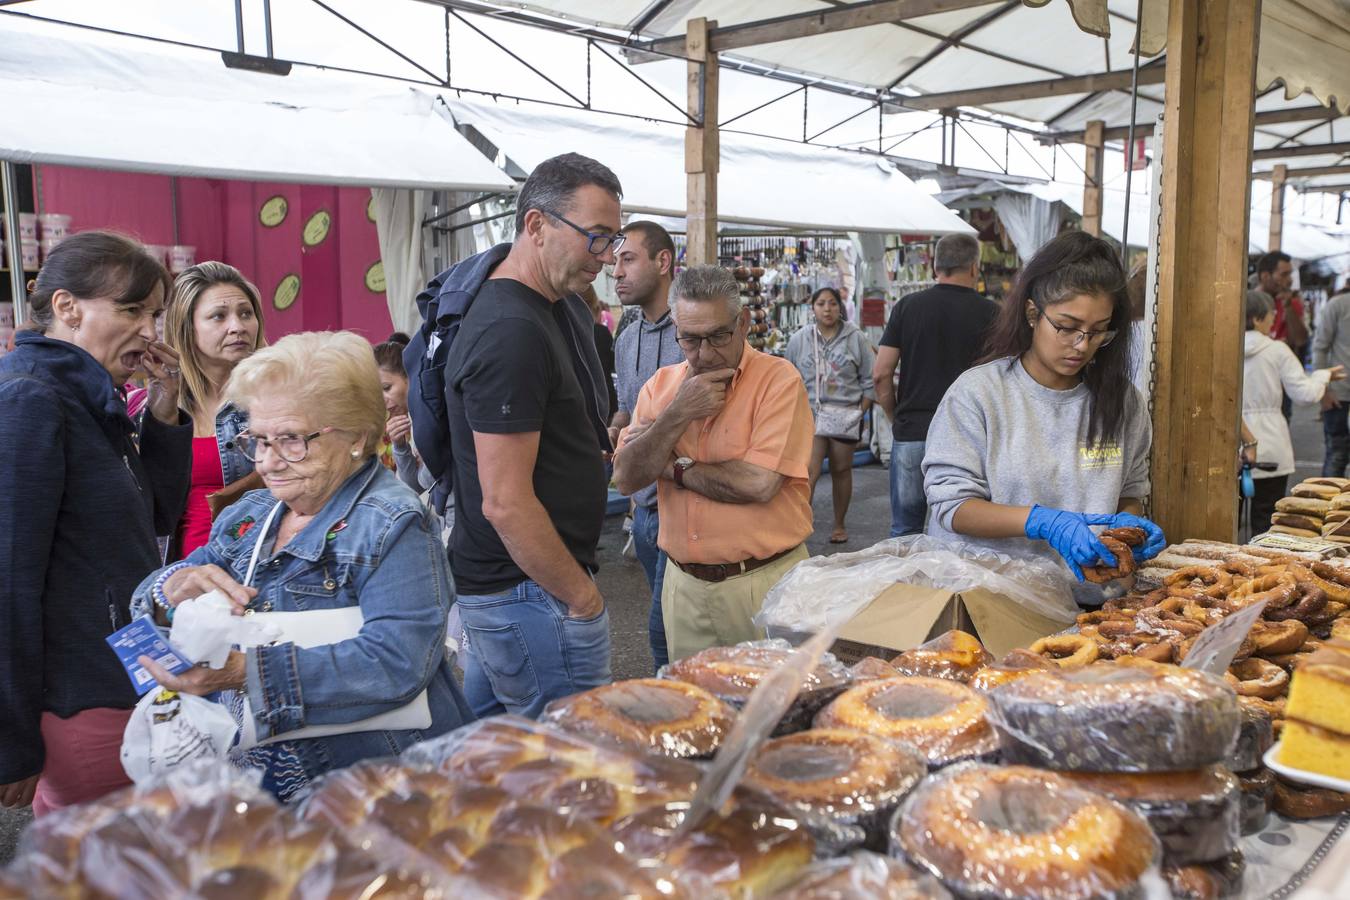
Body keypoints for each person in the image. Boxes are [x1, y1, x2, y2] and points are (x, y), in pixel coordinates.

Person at [132, 331, 475, 800]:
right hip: (267, 781)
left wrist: (243, 673)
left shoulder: (392, 523)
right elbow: (152, 604)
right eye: (257, 440)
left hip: (376, 788)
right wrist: (170, 588)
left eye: (292, 440)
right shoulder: (249, 517)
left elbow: (397, 663)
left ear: (357, 436)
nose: (268, 462)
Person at [0, 231, 191, 814]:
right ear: (66, 307)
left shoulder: (90, 395)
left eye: (155, 314)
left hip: (123, 674)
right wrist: (11, 740)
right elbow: (8, 579)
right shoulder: (31, 398)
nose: (151, 332)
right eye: (132, 310)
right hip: (79, 694)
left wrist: (163, 406)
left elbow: (153, 516)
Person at [443, 152, 619, 718]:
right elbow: (506, 501)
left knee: (491, 754)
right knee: (571, 770)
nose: (607, 257)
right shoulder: (511, 329)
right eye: (596, 237)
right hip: (527, 591)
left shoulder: (542, 306)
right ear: (536, 226)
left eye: (612, 240)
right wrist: (580, 597)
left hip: (519, 591)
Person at [922, 231, 1165, 598]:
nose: (1082, 345)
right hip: (989, 600)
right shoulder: (980, 394)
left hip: (1087, 599)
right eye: (1067, 327)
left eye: (1099, 332)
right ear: (1033, 313)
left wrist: (1127, 529)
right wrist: (1038, 521)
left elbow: (1128, 490)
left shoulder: (1123, 403)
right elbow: (953, 505)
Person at [612, 265, 814, 662]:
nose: (704, 353)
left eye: (717, 336)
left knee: (778, 712)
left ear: (742, 323)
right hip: (683, 584)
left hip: (765, 580)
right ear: (676, 328)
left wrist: (672, 467)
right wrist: (677, 414)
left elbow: (758, 485)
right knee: (699, 711)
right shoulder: (661, 387)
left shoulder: (779, 380)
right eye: (690, 338)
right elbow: (626, 477)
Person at [136, 262, 266, 558]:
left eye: (246, 313)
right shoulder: (157, 406)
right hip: (177, 580)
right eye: (218, 316)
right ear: (187, 326)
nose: (238, 326)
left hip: (254, 570)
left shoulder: (275, 398)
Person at [873, 232, 996, 537]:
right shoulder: (994, 314)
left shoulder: (907, 307)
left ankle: (905, 587)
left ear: (935, 267)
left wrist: (895, 417)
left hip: (913, 431)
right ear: (973, 268)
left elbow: (881, 373)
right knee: (962, 535)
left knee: (906, 533)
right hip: (970, 438)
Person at [609, 219, 679, 670]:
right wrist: (614, 426)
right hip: (642, 514)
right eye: (615, 260)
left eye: (627, 259)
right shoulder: (627, 335)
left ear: (663, 261)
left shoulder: (693, 334)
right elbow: (625, 405)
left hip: (685, 506)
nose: (615, 271)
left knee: (664, 637)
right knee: (669, 628)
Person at [1243, 290, 1344, 531]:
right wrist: (1323, 376)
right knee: (1267, 519)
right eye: (1271, 316)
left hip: (1230, 444)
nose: (1273, 321)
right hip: (1270, 444)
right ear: (1257, 319)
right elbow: (1305, 395)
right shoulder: (1277, 350)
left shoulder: (1220, 347)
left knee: (1226, 519)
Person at [785, 286, 875, 544]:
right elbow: (788, 378)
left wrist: (860, 412)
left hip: (845, 414)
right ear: (812, 308)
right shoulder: (800, 339)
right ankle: (800, 526)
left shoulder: (855, 338)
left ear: (840, 307)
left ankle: (839, 524)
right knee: (809, 471)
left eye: (833, 303)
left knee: (841, 469)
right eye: (821, 303)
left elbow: (869, 379)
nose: (827, 309)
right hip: (809, 415)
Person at [1313, 282, 1350, 478]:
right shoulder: (1338, 305)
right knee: (1337, 456)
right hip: (1339, 395)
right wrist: (1324, 390)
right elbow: (1320, 347)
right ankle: (1325, 507)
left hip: (1338, 394)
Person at [582, 285, 619, 418]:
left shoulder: (562, 333)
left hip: (580, 404)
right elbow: (614, 365)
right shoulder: (601, 332)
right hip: (604, 400)